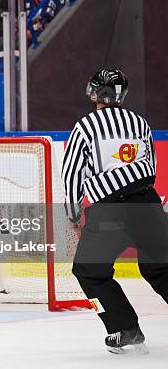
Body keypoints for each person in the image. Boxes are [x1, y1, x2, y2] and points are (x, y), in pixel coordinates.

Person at [63, 69, 168, 354]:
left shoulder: (85, 126)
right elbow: (152, 168)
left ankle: (125, 329)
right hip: (147, 205)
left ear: (93, 92)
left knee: (89, 271)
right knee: (160, 267)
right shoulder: (140, 122)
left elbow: (72, 174)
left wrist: (73, 214)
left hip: (109, 212)